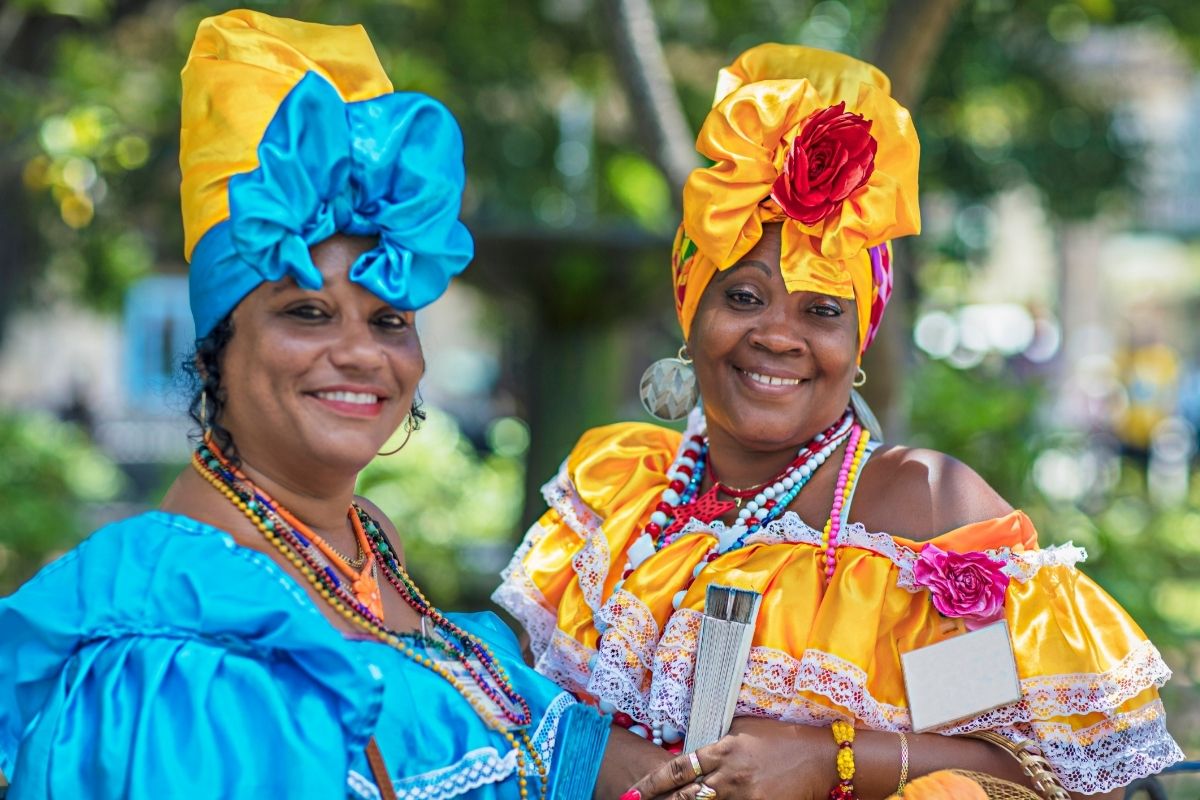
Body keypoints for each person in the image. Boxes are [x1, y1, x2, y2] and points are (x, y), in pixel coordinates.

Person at [493, 44, 1184, 800]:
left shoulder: (916, 514)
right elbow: (509, 709)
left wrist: (834, 757)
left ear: (858, 342)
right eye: (745, 296)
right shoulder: (619, 492)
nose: (778, 336)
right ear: (690, 310)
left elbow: (1078, 772)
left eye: (822, 310)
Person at [0, 11, 662, 799]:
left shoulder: (366, 541)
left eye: (390, 320)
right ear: (220, 342)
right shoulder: (174, 641)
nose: (360, 353)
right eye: (306, 312)